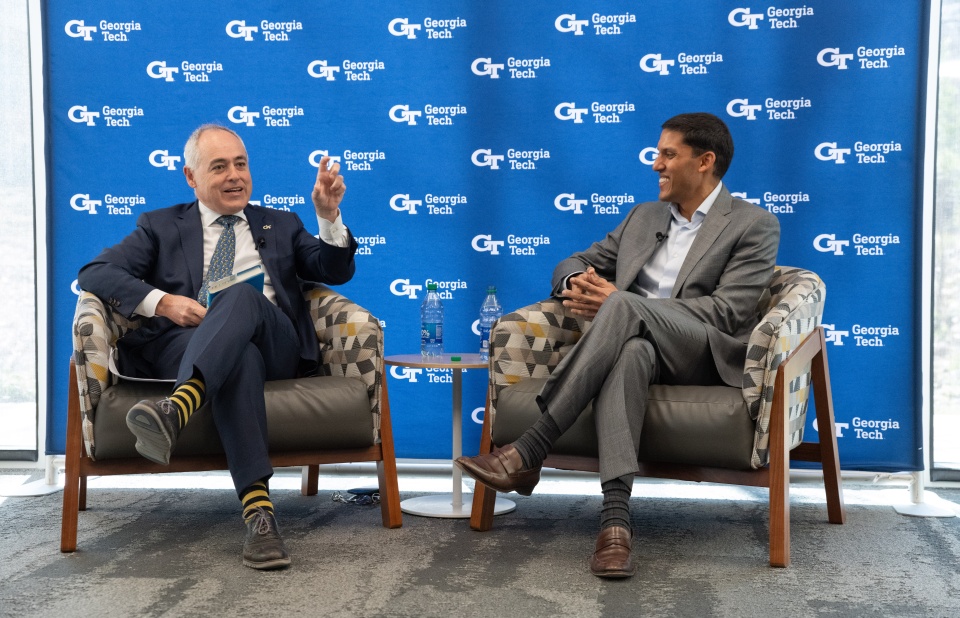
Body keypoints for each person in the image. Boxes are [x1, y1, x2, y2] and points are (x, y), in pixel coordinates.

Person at [455, 112, 780, 579]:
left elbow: (726, 313)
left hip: (700, 353)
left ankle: (530, 449)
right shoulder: (643, 217)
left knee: (625, 308)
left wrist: (623, 303)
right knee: (630, 350)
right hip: (634, 350)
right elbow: (575, 261)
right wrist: (578, 280)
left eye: (669, 154)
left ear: (705, 161)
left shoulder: (752, 224)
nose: (655, 165)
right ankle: (614, 526)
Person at [77, 124, 357, 570]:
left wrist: (328, 217)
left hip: (276, 346)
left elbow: (333, 269)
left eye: (241, 164)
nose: (235, 176)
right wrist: (164, 302)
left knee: (241, 296)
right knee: (237, 356)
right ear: (191, 177)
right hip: (187, 343)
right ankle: (259, 515)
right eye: (220, 166)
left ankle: (177, 408)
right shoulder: (160, 226)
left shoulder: (281, 223)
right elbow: (94, 272)